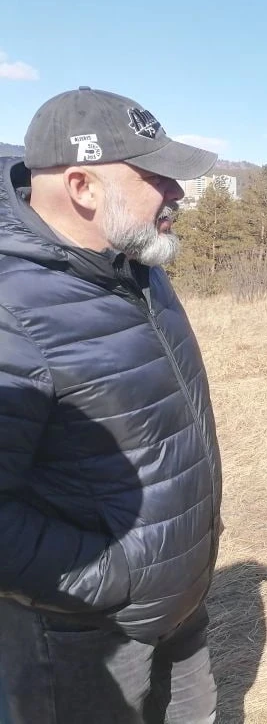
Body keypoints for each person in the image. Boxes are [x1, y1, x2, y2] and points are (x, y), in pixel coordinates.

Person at [0, 87, 223, 724]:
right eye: (157, 177)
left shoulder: (137, 269)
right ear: (82, 187)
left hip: (176, 606)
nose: (177, 193)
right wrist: (114, 582)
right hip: (83, 639)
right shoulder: (12, 312)